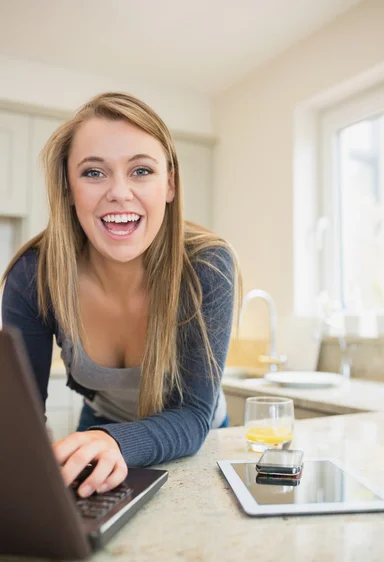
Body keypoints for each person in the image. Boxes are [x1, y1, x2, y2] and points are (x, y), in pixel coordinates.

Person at [1, 92, 239, 499]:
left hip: (195, 438)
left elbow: (194, 415)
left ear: (170, 184)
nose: (119, 193)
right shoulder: (34, 276)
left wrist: (117, 443)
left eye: (141, 170)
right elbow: (20, 420)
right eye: (93, 173)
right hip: (100, 431)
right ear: (68, 187)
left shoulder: (206, 267)